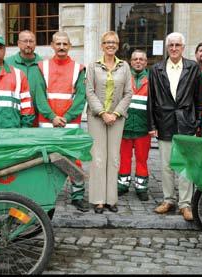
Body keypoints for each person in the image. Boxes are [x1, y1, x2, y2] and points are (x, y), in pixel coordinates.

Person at [147, 32, 202, 221]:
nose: (173, 48)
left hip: (186, 122)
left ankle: (185, 204)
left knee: (186, 167)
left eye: (177, 45)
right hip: (164, 122)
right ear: (166, 47)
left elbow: (199, 98)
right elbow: (151, 99)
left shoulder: (192, 68)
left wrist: (198, 123)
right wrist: (152, 124)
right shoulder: (156, 69)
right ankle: (168, 200)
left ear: (183, 47)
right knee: (166, 166)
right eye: (170, 45)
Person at [33, 31, 89, 212]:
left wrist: (65, 118)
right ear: (52, 45)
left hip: (69, 124)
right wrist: (53, 117)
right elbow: (39, 97)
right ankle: (46, 194)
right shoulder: (42, 67)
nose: (62, 47)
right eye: (58, 44)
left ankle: (78, 196)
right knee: (46, 160)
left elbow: (81, 97)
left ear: (70, 46)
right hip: (48, 123)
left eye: (65, 44)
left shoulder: (79, 68)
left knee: (74, 160)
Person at [86, 31, 133, 214]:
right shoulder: (93, 66)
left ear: (118, 45)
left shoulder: (124, 67)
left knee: (113, 158)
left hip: (117, 117)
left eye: (113, 42)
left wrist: (116, 113)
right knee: (98, 158)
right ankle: (98, 200)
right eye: (107, 42)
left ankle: (111, 199)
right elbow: (89, 91)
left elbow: (128, 93)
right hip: (96, 117)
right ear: (101, 45)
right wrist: (103, 112)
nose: (110, 45)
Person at [117, 49, 150, 201]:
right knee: (124, 158)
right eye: (135, 59)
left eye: (141, 59)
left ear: (146, 62)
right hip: (124, 125)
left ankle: (141, 187)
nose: (138, 61)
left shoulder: (152, 79)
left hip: (143, 127)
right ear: (130, 61)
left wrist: (153, 126)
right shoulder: (123, 77)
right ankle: (122, 185)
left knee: (142, 159)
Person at [5, 30, 43, 127]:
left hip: (38, 117)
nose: (28, 44)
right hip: (13, 116)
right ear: (18, 43)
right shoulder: (7, 64)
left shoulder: (43, 65)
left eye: (31, 41)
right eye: (25, 41)